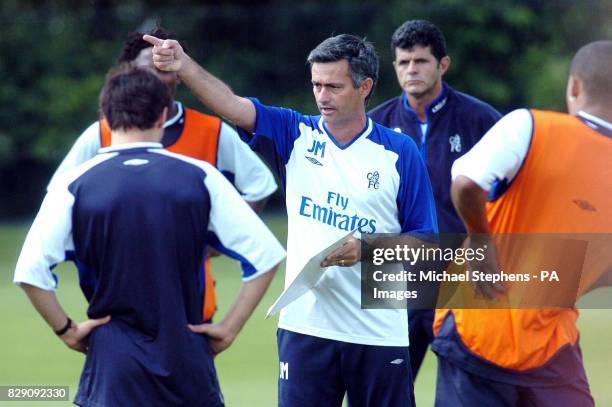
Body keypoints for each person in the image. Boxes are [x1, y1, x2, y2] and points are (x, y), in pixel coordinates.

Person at [145, 33, 438, 406]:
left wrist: (367, 249)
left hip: (379, 329)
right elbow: (233, 107)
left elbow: (425, 241)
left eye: (333, 86)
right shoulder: (295, 133)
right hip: (305, 325)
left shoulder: (399, 152)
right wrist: (183, 66)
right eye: (316, 84)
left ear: (365, 87)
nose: (322, 96)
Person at [14, 68, 286, 406]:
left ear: (106, 118)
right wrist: (230, 328)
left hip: (111, 364)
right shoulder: (201, 177)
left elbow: (29, 273)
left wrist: (66, 330)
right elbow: (268, 257)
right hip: (186, 358)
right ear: (162, 115)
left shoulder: (73, 184)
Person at [49, 27, 278, 322]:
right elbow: (58, 194)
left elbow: (259, 185)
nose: (156, 77)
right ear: (129, 73)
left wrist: (214, 239)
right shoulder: (102, 132)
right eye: (148, 69)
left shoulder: (212, 130)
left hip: (190, 300)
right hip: (117, 299)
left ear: (180, 73)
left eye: (165, 68)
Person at [432, 40, 612, 406]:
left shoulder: (530, 125)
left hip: (478, 327)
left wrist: (481, 244)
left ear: (574, 87)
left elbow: (466, 184)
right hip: (550, 342)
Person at [369, 19, 501, 379]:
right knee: (385, 389)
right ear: (395, 67)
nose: (412, 69)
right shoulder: (374, 127)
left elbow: (509, 192)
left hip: (465, 275)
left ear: (442, 64)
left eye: (421, 61)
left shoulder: (481, 119)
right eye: (403, 62)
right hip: (398, 276)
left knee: (470, 389)